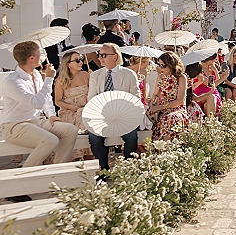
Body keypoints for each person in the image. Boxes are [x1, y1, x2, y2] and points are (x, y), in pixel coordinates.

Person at [0, 41, 78, 178]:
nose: (42, 56)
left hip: (37, 121)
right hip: (15, 125)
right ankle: (20, 179)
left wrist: (51, 115)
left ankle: (57, 173)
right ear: (31, 58)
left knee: (70, 130)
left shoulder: (36, 75)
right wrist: (49, 79)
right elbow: (35, 103)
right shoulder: (13, 81)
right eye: (39, 53)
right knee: (50, 140)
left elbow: (46, 99)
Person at [87, 43, 140, 172]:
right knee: (94, 137)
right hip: (103, 116)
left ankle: (128, 169)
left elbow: (135, 97)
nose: (99, 58)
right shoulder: (95, 75)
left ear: (115, 57)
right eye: (99, 55)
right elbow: (92, 98)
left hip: (124, 115)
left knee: (132, 137)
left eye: (103, 55)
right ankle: (104, 169)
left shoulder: (129, 74)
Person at [54, 51, 93, 161]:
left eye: (81, 59)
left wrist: (93, 78)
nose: (80, 62)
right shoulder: (61, 80)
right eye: (77, 60)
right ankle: (76, 156)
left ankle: (88, 154)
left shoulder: (86, 75)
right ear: (68, 64)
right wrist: (72, 108)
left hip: (86, 109)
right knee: (78, 118)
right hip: (69, 110)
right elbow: (57, 101)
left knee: (84, 116)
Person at [147, 52, 190, 140]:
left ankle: (168, 148)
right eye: (159, 65)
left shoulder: (181, 78)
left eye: (163, 66)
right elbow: (155, 94)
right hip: (162, 111)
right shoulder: (160, 77)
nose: (160, 68)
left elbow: (180, 101)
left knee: (171, 118)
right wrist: (152, 103)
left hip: (177, 110)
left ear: (171, 65)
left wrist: (159, 107)